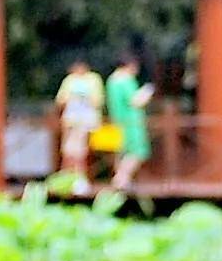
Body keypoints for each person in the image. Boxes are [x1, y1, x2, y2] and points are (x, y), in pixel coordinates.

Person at [104, 54, 154, 190]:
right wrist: (147, 92)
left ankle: (120, 179)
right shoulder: (125, 80)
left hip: (117, 120)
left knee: (121, 151)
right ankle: (121, 178)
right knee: (137, 151)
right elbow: (135, 101)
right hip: (132, 122)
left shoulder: (112, 80)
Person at [54, 58, 104, 189]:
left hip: (85, 120)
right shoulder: (69, 80)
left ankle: (80, 179)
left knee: (80, 150)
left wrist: (84, 96)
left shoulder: (93, 79)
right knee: (68, 150)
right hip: (71, 120)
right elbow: (60, 100)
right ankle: (66, 178)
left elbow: (98, 101)